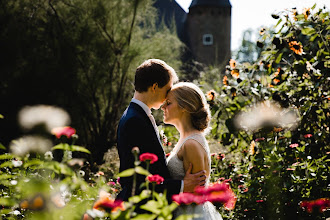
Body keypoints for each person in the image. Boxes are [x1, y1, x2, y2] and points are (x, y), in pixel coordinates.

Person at [116, 59, 206, 203]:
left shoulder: (136, 115)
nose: (167, 97)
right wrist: (182, 185)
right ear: (155, 87)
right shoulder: (135, 121)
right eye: (168, 89)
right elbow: (136, 181)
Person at [161, 82, 223, 220]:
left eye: (169, 103)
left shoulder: (191, 144)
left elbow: (196, 194)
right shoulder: (187, 139)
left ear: (185, 107)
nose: (162, 107)